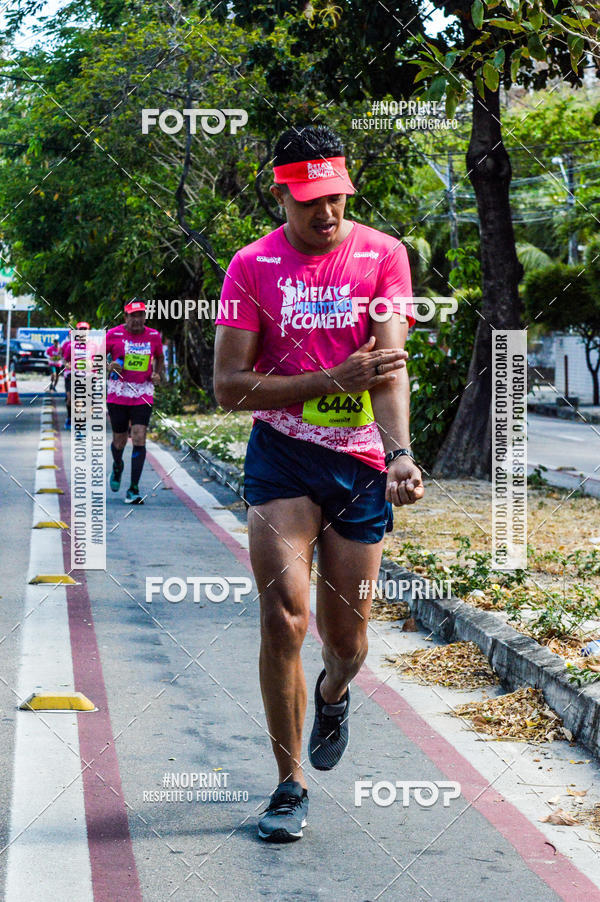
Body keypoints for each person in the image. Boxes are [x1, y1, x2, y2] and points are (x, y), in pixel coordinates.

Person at [214, 125, 424, 843]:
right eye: (310, 201)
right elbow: (228, 387)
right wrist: (324, 382)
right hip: (283, 457)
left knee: (349, 642)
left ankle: (334, 694)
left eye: (336, 197)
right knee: (284, 618)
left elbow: (388, 367)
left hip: (361, 465)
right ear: (280, 195)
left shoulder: (382, 256)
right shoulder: (251, 266)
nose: (326, 213)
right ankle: (288, 784)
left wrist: (400, 454)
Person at [106, 299, 164, 504]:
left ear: (145, 317)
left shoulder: (154, 336)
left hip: (143, 393)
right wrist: (109, 366)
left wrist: (157, 375)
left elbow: (159, 359)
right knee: (119, 440)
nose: (137, 320)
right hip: (118, 394)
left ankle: (133, 489)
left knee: (139, 437)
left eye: (140, 315)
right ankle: (117, 465)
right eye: (133, 315)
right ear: (125, 317)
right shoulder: (113, 334)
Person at [61, 321, 90, 428]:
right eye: (80, 330)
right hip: (71, 376)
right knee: (70, 399)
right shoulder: (70, 346)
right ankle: (70, 417)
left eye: (85, 330)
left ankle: (80, 422)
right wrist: (67, 365)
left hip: (87, 377)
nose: (83, 332)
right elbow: (65, 360)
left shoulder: (93, 345)